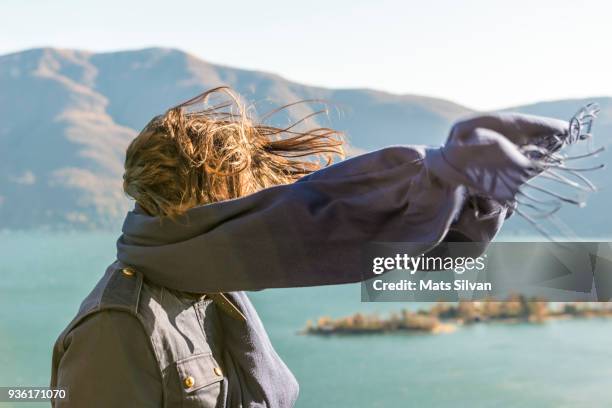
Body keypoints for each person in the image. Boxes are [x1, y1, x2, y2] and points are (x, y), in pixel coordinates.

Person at [50, 87, 574, 407]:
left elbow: (324, 222)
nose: (260, 204)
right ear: (208, 194)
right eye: (247, 191)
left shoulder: (205, 277)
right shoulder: (118, 328)